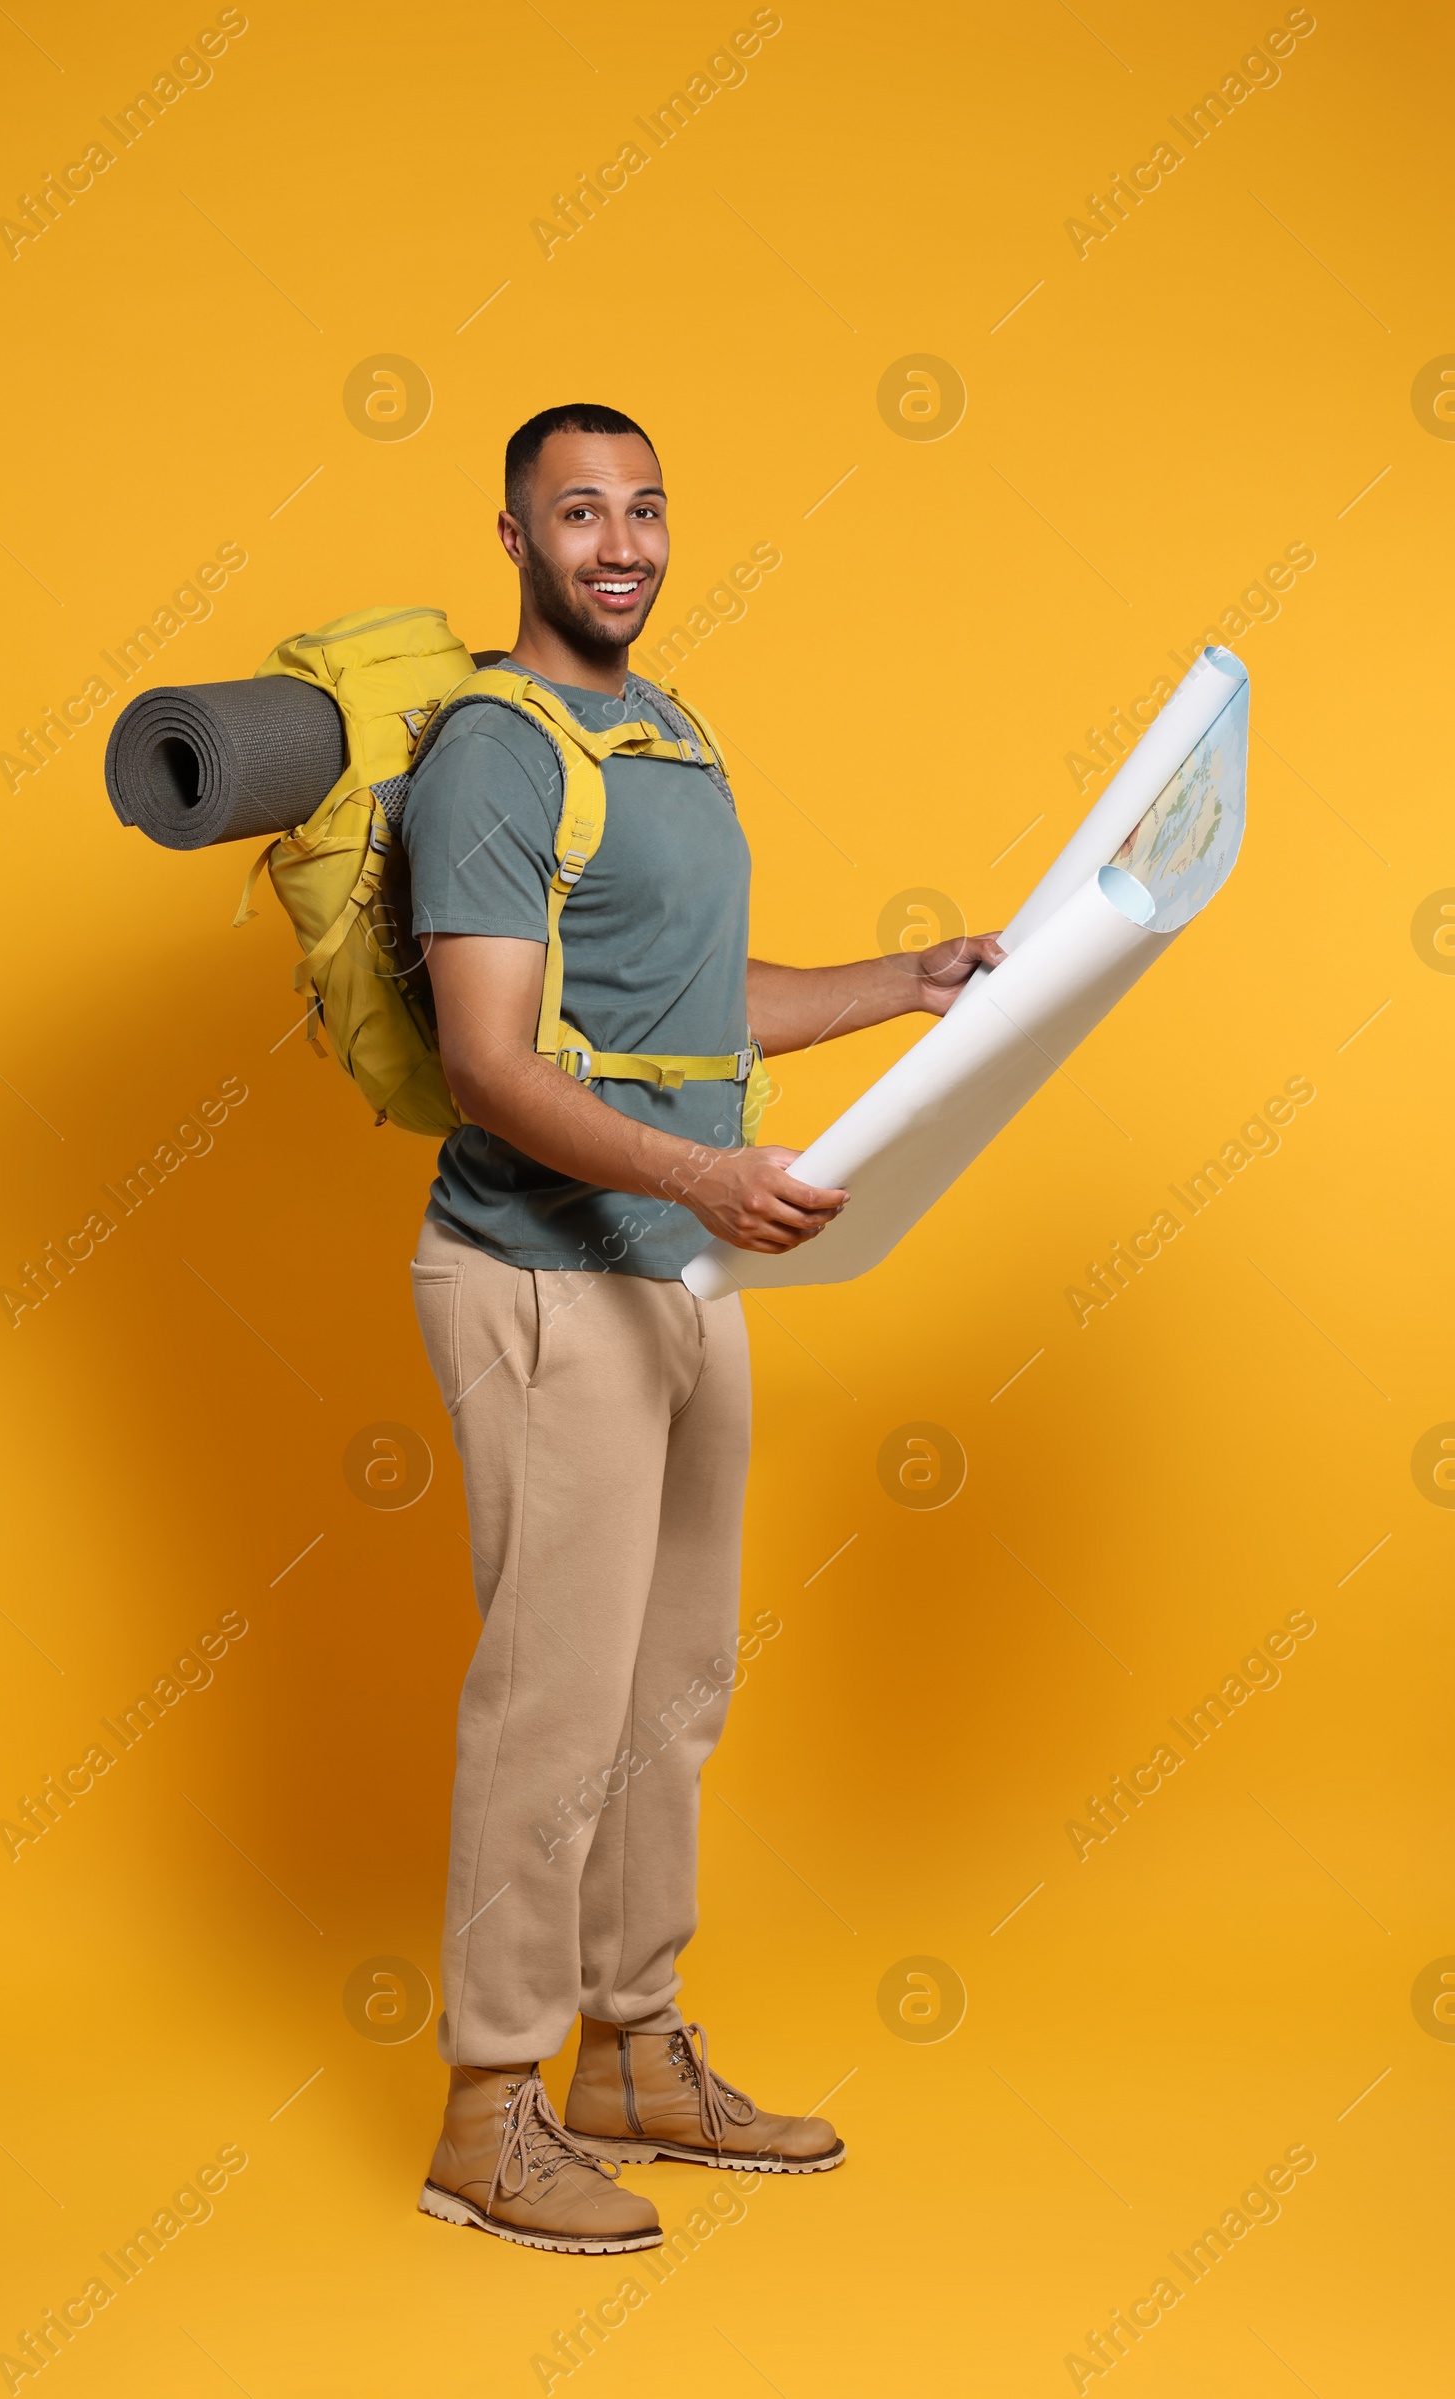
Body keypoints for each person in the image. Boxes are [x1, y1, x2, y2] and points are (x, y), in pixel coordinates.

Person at [404, 402, 1004, 2252]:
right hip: (543, 1275)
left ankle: (633, 2050)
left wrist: (898, 986)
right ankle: (489, 2109)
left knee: (670, 1699)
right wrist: (697, 1183)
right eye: (579, 512)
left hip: (679, 1267)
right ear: (510, 538)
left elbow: (696, 999)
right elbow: (489, 1061)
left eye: (647, 508)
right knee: (554, 1706)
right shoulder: (493, 759)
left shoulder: (668, 736)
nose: (624, 543)